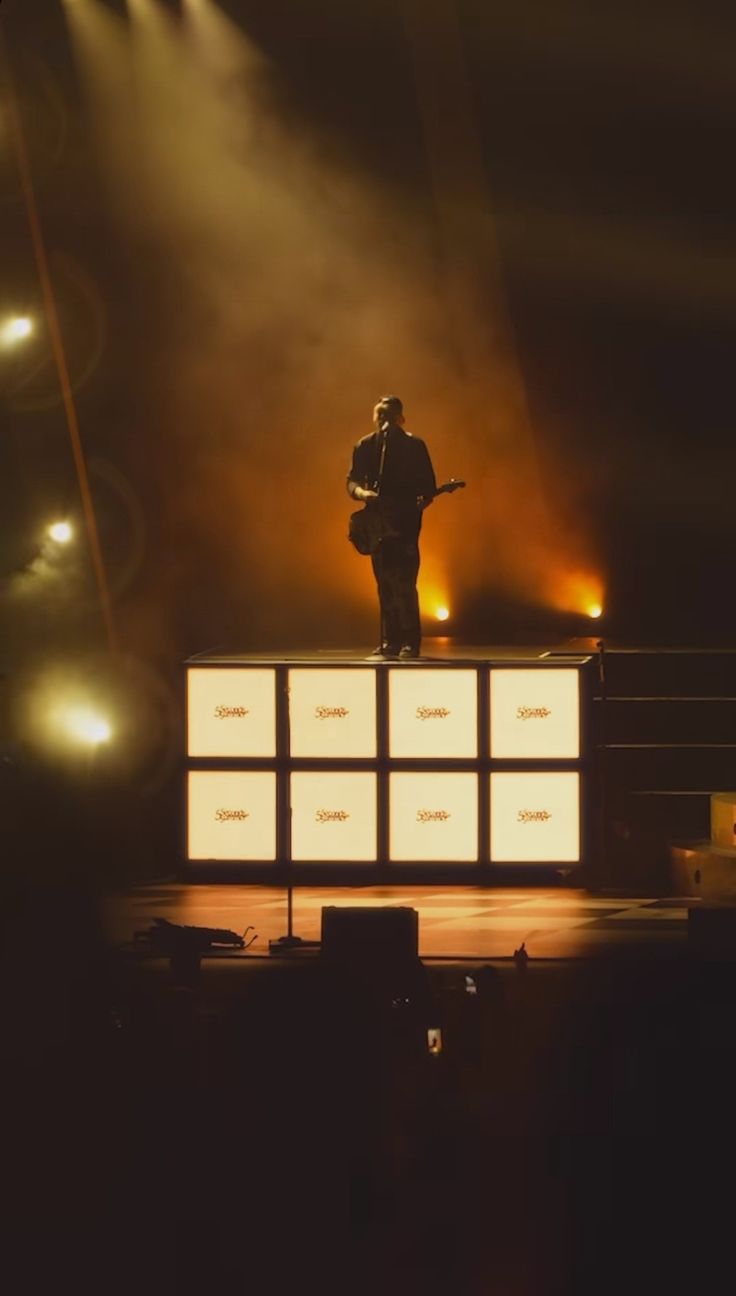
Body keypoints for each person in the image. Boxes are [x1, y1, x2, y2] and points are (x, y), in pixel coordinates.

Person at [347, 395, 436, 659]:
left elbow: (428, 485)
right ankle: (390, 640)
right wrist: (363, 493)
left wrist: (421, 501)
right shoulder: (364, 446)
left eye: (389, 416)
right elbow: (351, 481)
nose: (384, 421)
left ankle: (410, 641)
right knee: (383, 583)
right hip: (377, 524)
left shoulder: (415, 446)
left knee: (405, 582)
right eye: (380, 416)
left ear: (400, 419)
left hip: (405, 524)